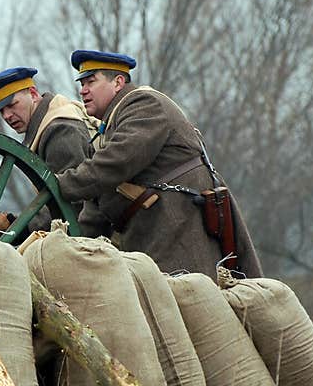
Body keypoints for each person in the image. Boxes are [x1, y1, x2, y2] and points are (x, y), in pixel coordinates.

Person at [55, 49, 262, 280]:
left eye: (91, 82)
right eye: (81, 84)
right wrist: (70, 247)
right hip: (156, 232)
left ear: (118, 82)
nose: (83, 90)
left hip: (179, 226)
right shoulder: (110, 126)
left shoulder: (143, 105)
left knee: (188, 297)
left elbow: (115, 163)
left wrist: (58, 185)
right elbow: (99, 203)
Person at [0, 66, 105, 235]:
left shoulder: (60, 131)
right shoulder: (47, 125)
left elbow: (71, 201)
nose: (7, 115)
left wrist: (19, 228)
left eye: (12, 105)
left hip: (96, 232)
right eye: (1, 111)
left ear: (33, 94)